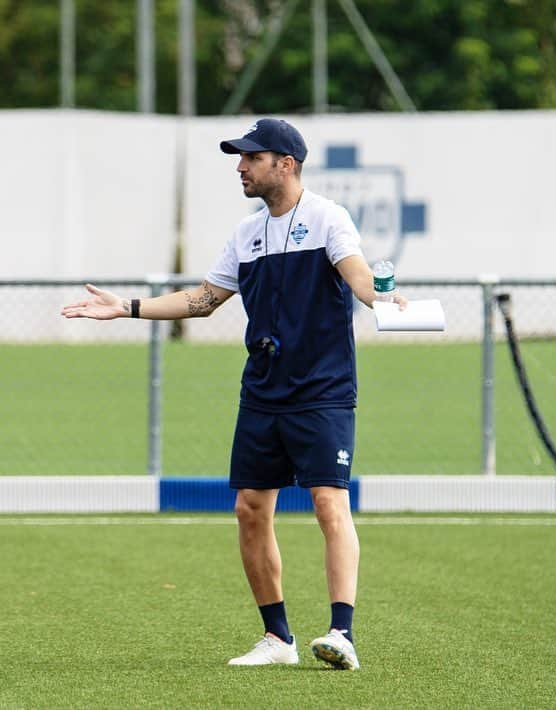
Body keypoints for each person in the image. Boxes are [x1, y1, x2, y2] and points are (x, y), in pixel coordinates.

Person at [61, 118, 406, 670]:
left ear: (285, 164)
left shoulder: (327, 218)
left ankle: (342, 633)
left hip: (323, 390)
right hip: (263, 391)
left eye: (250, 157)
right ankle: (278, 640)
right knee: (250, 509)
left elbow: (357, 272)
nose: (240, 166)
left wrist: (380, 298)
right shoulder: (246, 234)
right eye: (239, 158)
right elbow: (202, 299)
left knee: (328, 501)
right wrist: (126, 308)